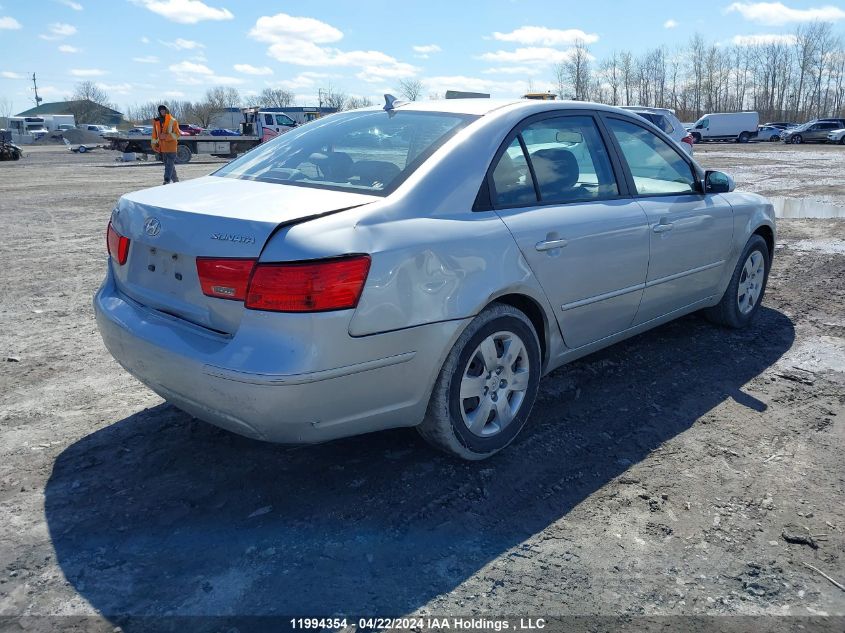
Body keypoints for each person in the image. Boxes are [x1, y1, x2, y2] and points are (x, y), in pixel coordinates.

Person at [151, 104, 181, 184]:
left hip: (171, 148)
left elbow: (177, 134)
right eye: (161, 111)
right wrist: (154, 145)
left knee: (169, 165)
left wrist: (166, 136)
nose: (162, 112)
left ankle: (166, 180)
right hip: (163, 148)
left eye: (163, 110)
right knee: (170, 166)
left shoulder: (173, 121)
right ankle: (176, 182)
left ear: (167, 111)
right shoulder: (156, 122)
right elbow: (154, 135)